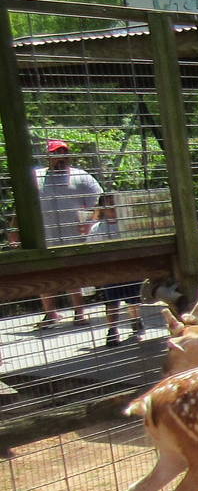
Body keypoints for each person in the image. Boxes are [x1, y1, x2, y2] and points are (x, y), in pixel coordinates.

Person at [33, 140, 103, 330]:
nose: (61, 157)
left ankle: (79, 313)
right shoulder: (36, 178)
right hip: (45, 237)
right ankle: (50, 314)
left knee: (74, 275)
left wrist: (90, 224)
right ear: (48, 157)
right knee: (44, 277)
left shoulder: (81, 177)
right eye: (56, 153)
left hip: (73, 236)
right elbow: (22, 207)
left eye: (64, 153)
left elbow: (101, 202)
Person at [86, 193, 143, 348]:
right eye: (108, 205)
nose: (112, 208)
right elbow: (91, 248)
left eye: (114, 204)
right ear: (102, 208)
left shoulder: (128, 224)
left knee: (133, 300)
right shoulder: (97, 228)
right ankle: (112, 330)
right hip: (110, 272)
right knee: (111, 302)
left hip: (130, 269)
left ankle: (135, 320)